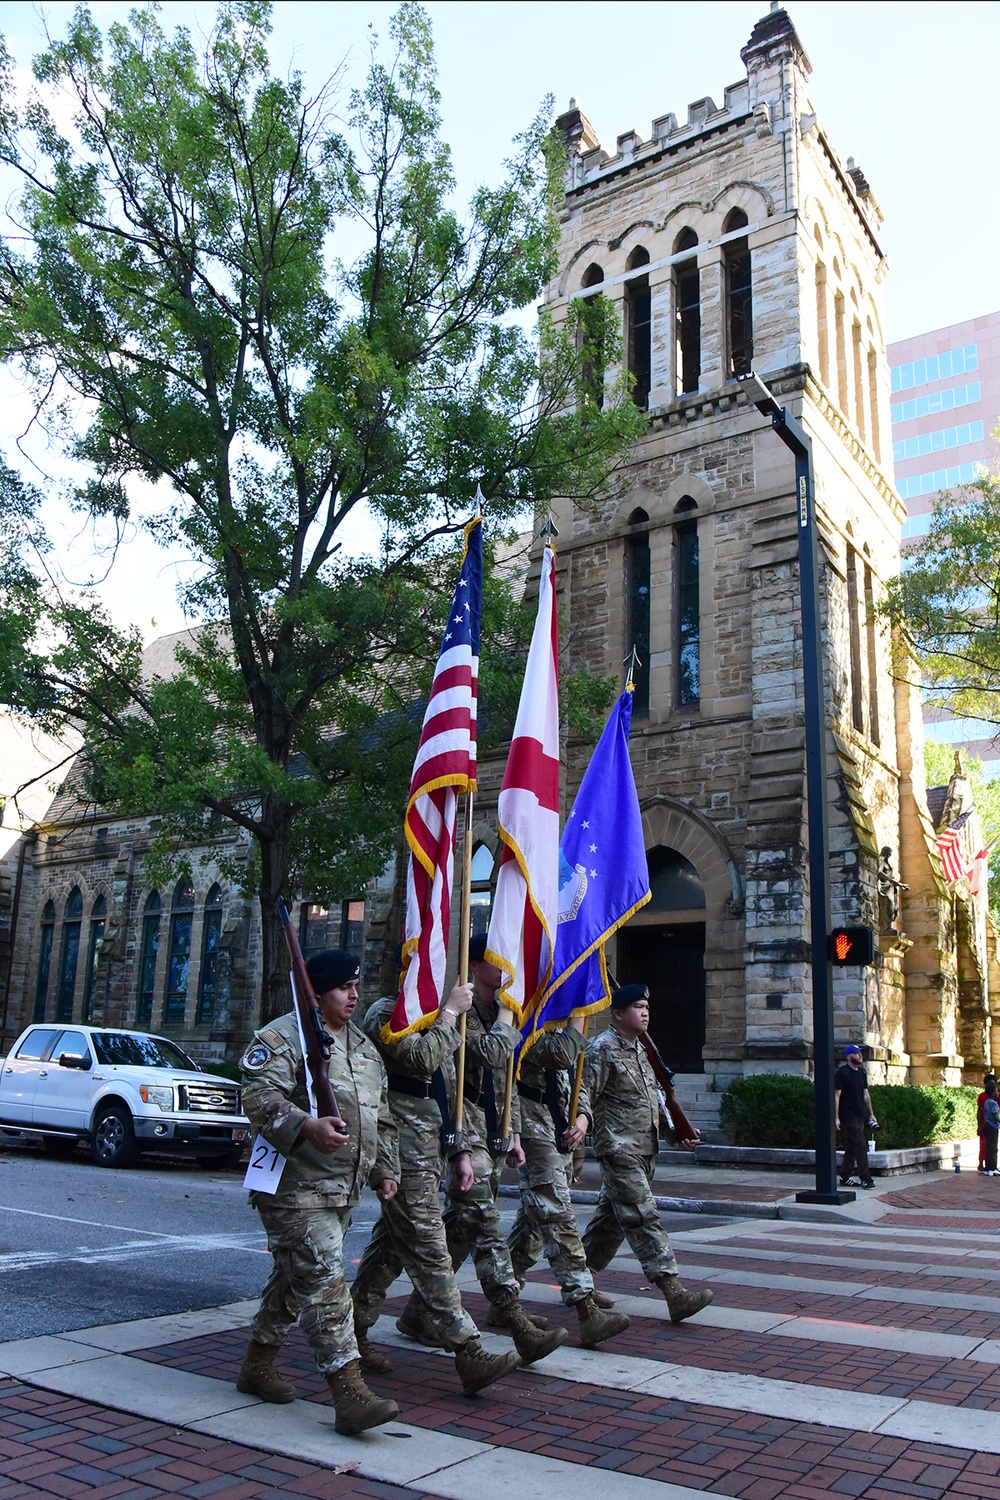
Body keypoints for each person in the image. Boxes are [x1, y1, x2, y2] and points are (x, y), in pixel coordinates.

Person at [237, 949, 401, 1436]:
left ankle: (257, 1364)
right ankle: (348, 1392)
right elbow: (256, 1096)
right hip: (294, 1190)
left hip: (341, 1191)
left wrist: (384, 1171)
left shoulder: (365, 1049)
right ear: (316, 992)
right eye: (342, 987)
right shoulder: (282, 1038)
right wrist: (305, 1125)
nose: (354, 995)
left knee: (295, 1281)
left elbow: (382, 1118)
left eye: (356, 986)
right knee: (327, 1284)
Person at [349, 973, 522, 1394]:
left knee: (391, 1247)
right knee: (430, 1248)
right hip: (400, 1151)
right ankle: (467, 1349)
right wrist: (448, 1015)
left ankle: (352, 1330)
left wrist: (458, 1151)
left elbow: (446, 1092)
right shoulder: (387, 1013)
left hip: (431, 1150)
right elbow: (421, 1060)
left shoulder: (433, 1017)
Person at [437, 932, 569, 1363]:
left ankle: (417, 1311)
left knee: (458, 1229)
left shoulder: (500, 1010)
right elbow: (493, 1054)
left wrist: (511, 1131)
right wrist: (511, 1017)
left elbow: (505, 1081)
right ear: (476, 965)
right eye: (498, 959)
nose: (507, 967)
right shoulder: (464, 1011)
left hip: (490, 1131)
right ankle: (515, 1320)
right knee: (486, 1225)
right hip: (462, 1128)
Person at [580, 984, 713, 1323]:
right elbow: (583, 1095)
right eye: (637, 1006)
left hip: (644, 1148)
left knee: (609, 1224)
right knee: (643, 1215)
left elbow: (654, 1099)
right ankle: (674, 1292)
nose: (645, 1012)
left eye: (646, 1006)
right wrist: (581, 1136)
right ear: (618, 1014)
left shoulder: (641, 1050)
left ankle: (579, 1279)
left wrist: (675, 1133)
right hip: (618, 1148)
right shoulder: (601, 1049)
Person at [506, 1017, 631, 1347]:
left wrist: (583, 1117)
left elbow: (575, 1076)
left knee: (534, 1223)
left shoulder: (564, 1025)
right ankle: (585, 1309)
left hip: (561, 1125)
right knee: (556, 1215)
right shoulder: (528, 1016)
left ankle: (502, 1296)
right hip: (531, 1122)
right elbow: (558, 1055)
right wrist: (577, 1017)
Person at [835, 1043, 878, 1189]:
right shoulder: (842, 1073)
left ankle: (845, 1176)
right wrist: (836, 1117)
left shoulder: (862, 1072)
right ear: (849, 1056)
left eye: (860, 1053)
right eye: (856, 1053)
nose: (860, 1055)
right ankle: (866, 1178)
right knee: (861, 1144)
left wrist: (871, 1114)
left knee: (852, 1145)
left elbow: (866, 1095)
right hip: (847, 1114)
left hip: (859, 1114)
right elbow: (837, 1096)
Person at [978, 1072, 997, 1173]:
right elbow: (979, 1111)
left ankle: (992, 1165)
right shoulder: (982, 1096)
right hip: (985, 1124)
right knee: (984, 1145)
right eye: (990, 1084)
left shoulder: (996, 1097)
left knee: (992, 1146)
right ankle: (982, 1164)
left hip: (993, 1124)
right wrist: (979, 1125)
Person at [983, 1080, 1000, 1175]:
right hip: (992, 1126)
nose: (997, 1093)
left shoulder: (986, 1102)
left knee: (989, 1147)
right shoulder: (993, 1103)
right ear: (993, 1093)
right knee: (993, 1148)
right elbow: (996, 1116)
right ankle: (992, 1167)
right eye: (996, 1091)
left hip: (987, 1125)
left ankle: (988, 1167)